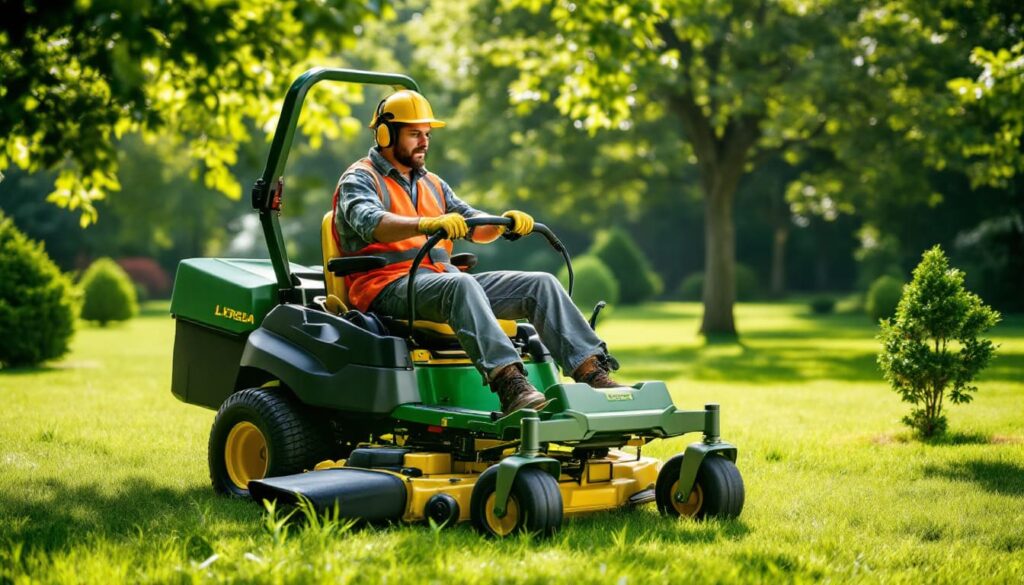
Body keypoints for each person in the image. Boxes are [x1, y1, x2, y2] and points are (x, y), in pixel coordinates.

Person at [332, 89, 622, 415]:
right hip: (386, 288)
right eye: (415, 134)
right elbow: (371, 222)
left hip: (441, 280)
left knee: (540, 283)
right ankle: (510, 383)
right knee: (462, 285)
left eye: (427, 134)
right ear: (385, 134)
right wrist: (426, 223)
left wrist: (506, 224)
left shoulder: (433, 184)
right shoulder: (359, 179)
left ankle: (591, 373)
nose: (425, 142)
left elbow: (474, 225)